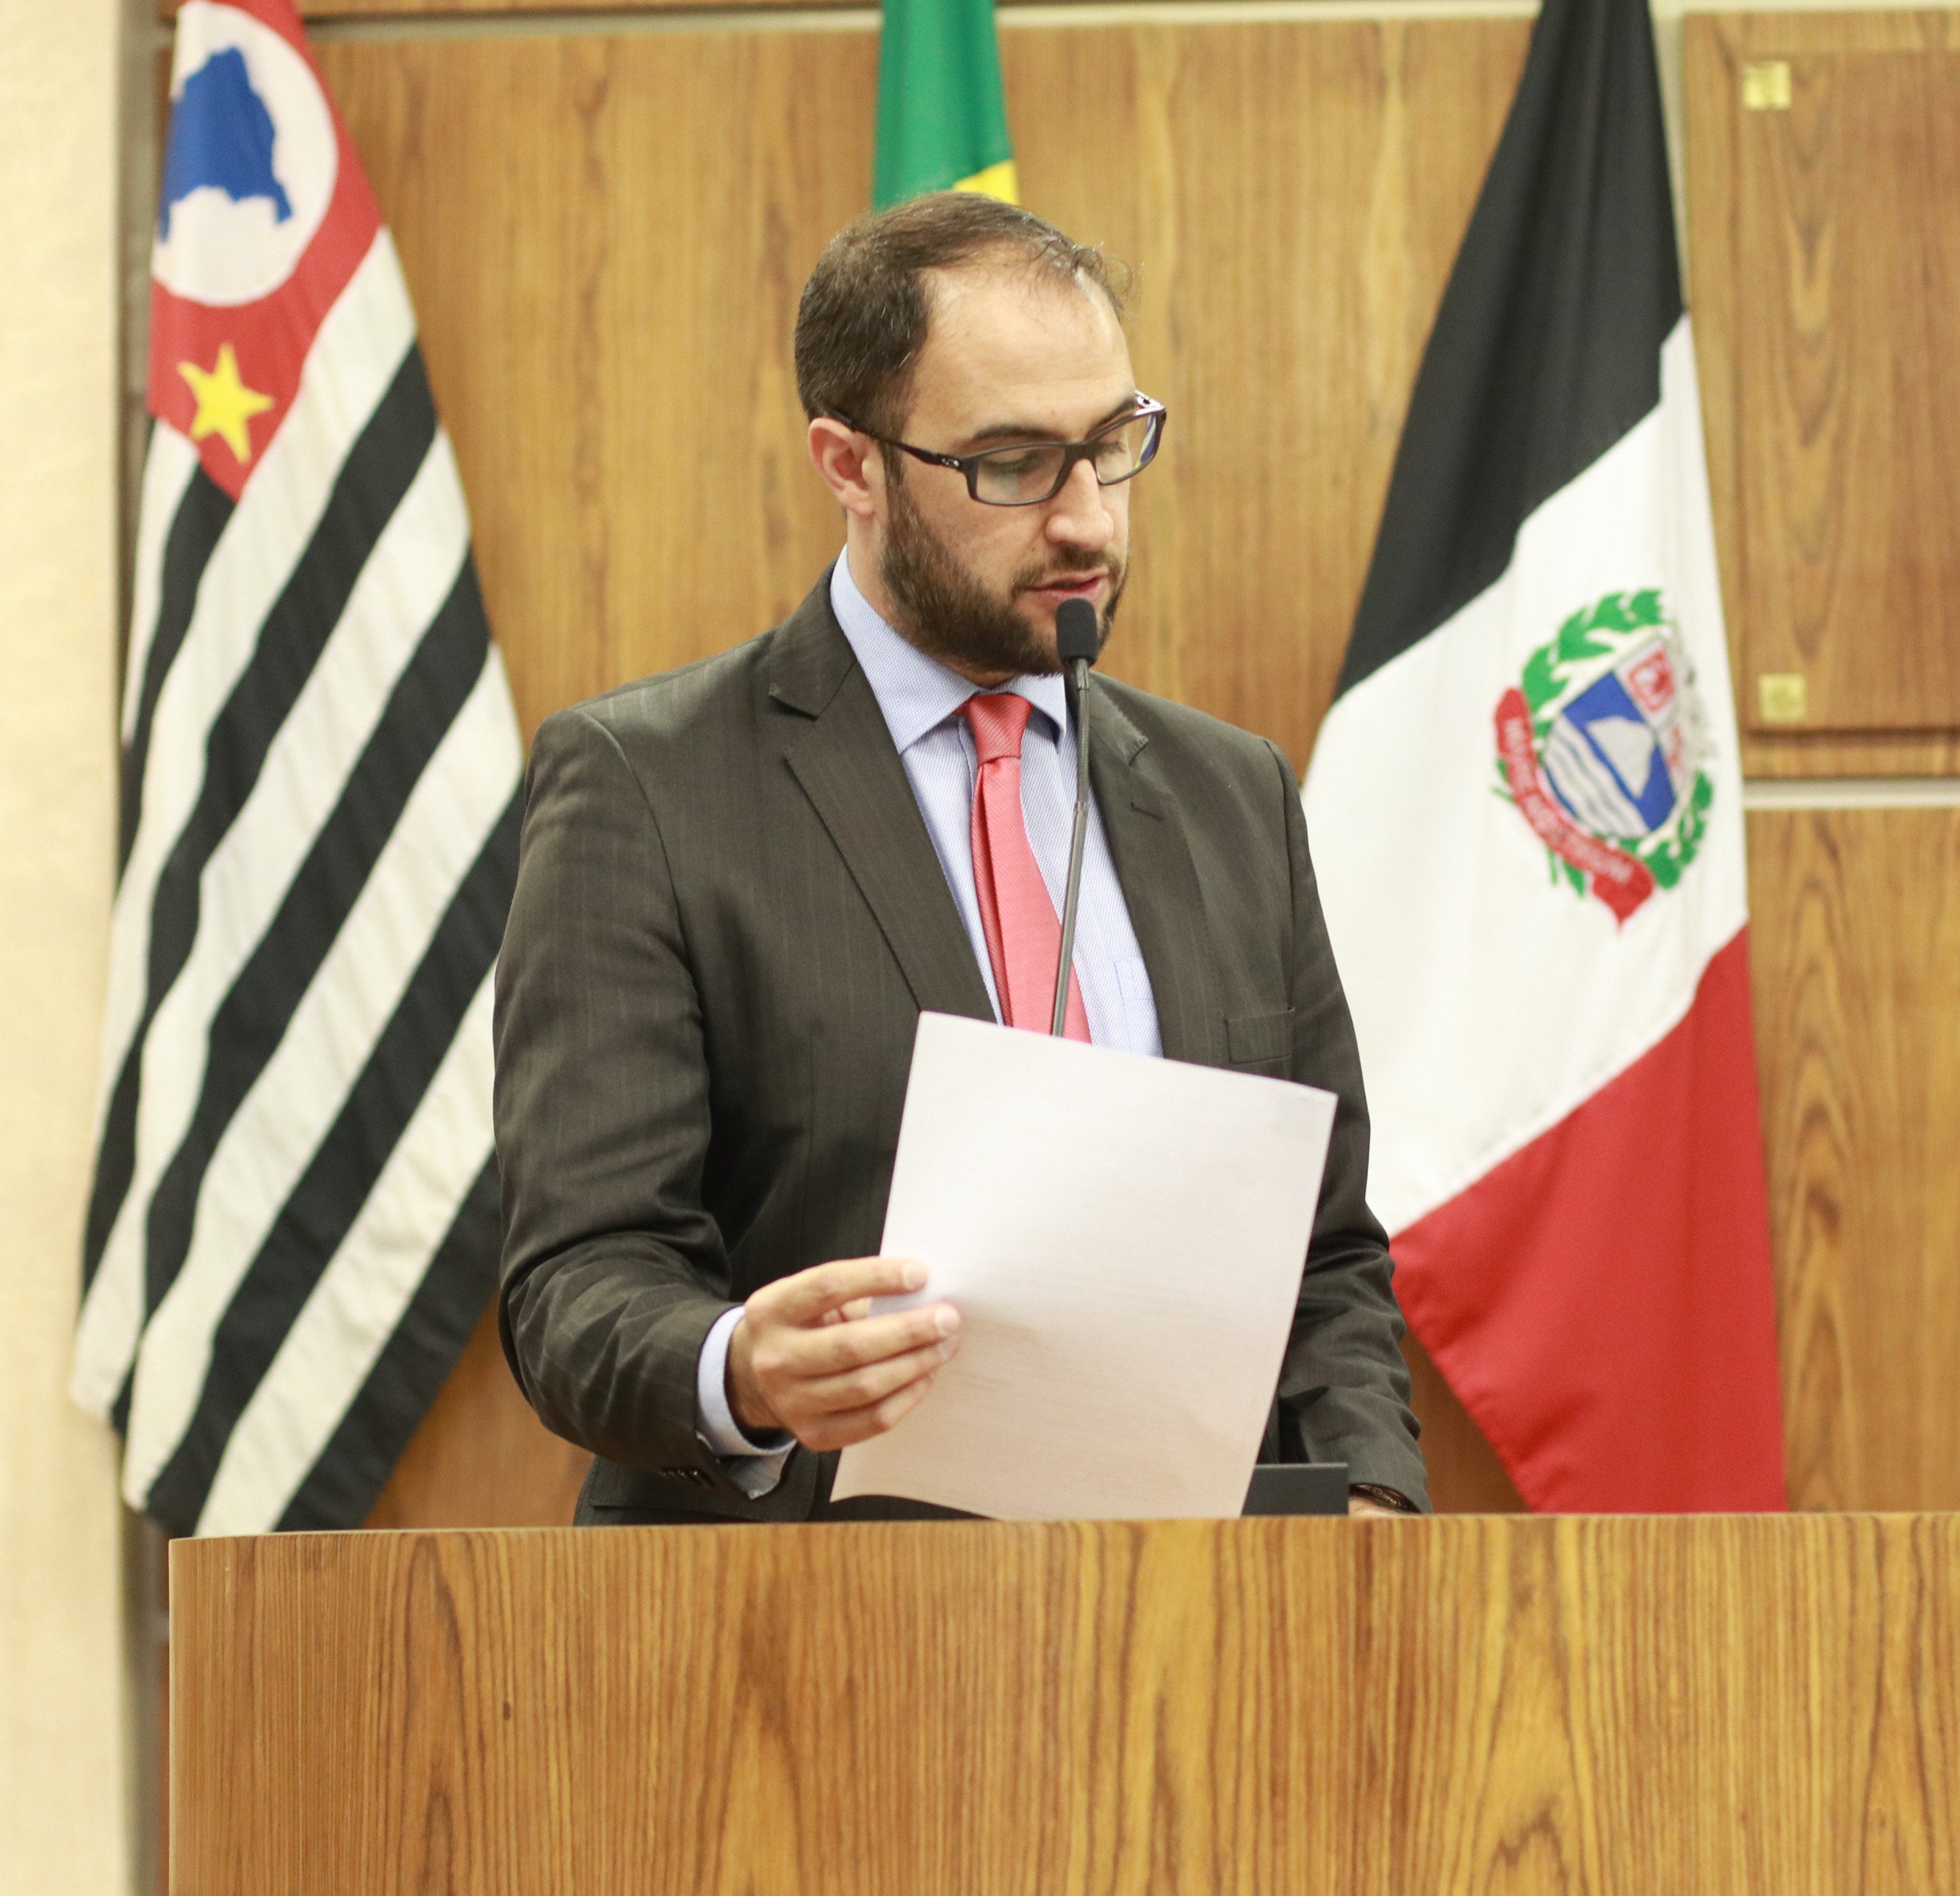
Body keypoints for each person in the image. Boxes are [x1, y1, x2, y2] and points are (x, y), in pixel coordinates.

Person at [491, 192, 1430, 1524]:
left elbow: (1323, 1255)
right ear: (850, 465)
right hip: (801, 1606)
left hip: (1200, 1609)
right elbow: (578, 1280)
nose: (1089, 521)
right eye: (1013, 464)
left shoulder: (1234, 796)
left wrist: (1374, 1511)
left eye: (1112, 445)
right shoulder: (645, 786)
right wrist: (740, 1368)